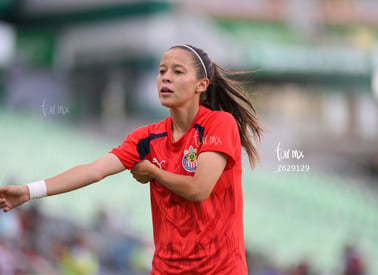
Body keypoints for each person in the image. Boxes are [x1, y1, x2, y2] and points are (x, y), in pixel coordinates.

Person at [0, 44, 263, 274]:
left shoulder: (219, 124)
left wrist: (153, 172)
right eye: (162, 71)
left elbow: (198, 188)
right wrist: (28, 191)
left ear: (201, 85)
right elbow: (94, 170)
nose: (165, 78)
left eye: (177, 72)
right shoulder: (146, 138)